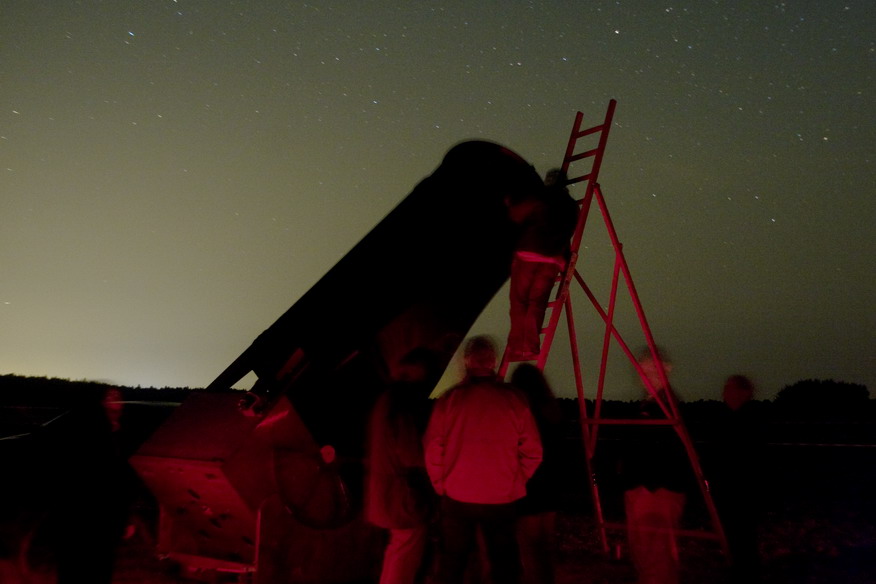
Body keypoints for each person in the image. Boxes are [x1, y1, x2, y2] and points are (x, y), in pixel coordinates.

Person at [424, 335, 543, 584]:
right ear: (494, 361)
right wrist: (516, 479)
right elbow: (533, 451)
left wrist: (440, 484)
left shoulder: (450, 401)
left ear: (467, 361)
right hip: (502, 497)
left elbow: (433, 449)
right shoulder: (513, 400)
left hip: (457, 495)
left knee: (452, 563)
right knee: (504, 563)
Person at [365, 348, 441, 584]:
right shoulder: (402, 404)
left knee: (396, 554)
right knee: (404, 559)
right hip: (401, 499)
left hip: (385, 495)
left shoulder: (386, 400)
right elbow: (411, 455)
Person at [618, 347, 690, 584]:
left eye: (650, 367)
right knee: (645, 554)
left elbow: (664, 449)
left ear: (666, 369)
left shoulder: (667, 405)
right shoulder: (650, 404)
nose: (645, 373)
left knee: (657, 556)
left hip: (657, 490)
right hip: (645, 489)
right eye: (642, 367)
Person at [506, 169, 579, 361]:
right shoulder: (572, 207)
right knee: (537, 304)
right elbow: (569, 232)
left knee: (519, 302)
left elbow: (516, 214)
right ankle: (530, 346)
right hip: (552, 260)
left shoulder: (539, 197)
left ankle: (516, 346)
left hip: (527, 255)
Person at [510, 363, 564, 584]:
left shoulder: (522, 412)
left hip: (528, 487)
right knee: (546, 548)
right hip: (551, 486)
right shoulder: (553, 411)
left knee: (530, 549)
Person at [710, 374, 765, 583]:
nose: (725, 393)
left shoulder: (750, 420)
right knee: (734, 536)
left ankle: (746, 573)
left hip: (743, 491)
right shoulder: (728, 419)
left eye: (730, 389)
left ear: (744, 393)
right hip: (729, 490)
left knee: (743, 536)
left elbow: (747, 458)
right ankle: (741, 571)